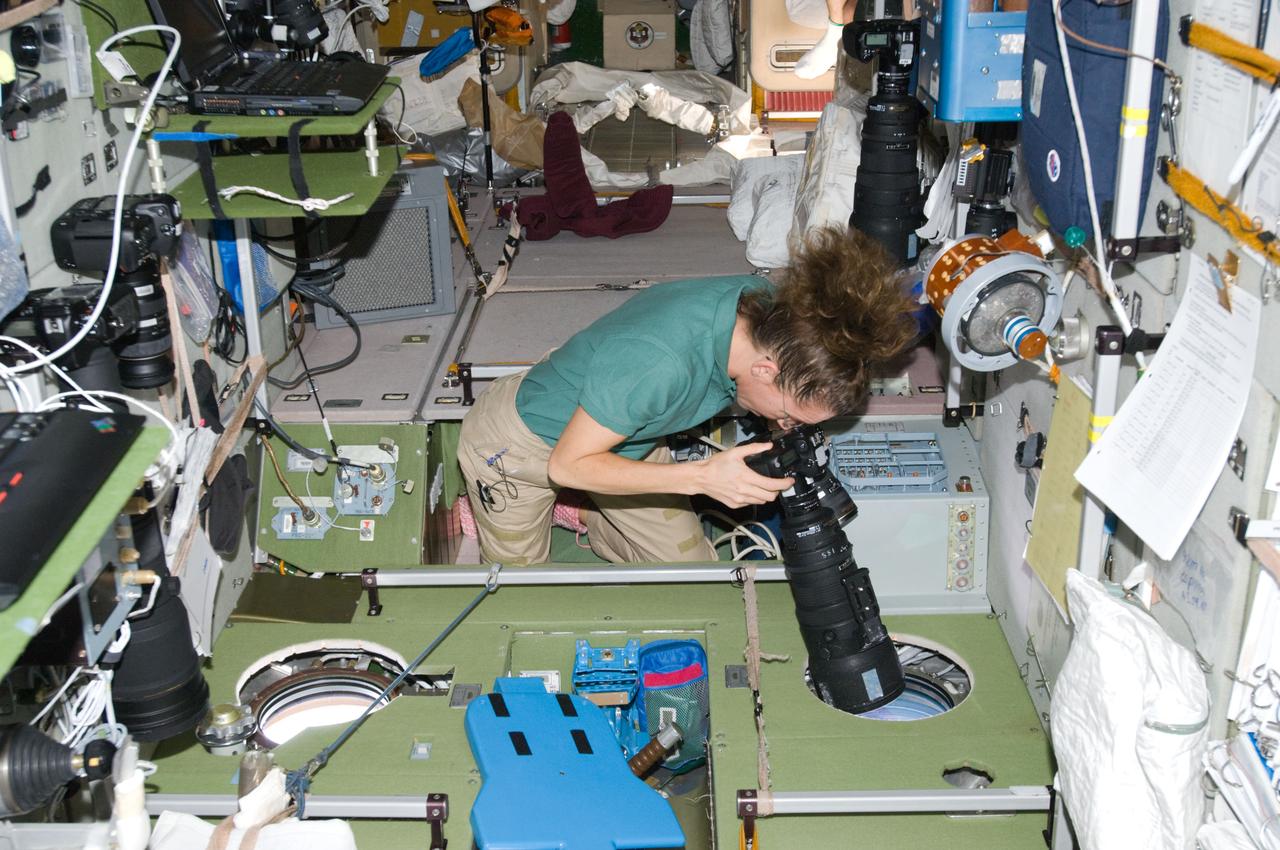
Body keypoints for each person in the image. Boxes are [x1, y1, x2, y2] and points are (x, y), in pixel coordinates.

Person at [456, 226, 918, 565]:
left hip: (630, 429)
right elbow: (565, 465)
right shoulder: (659, 364)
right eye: (787, 415)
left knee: (692, 573)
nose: (784, 426)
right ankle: (537, 503)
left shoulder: (770, 315)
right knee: (524, 593)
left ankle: (586, 510)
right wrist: (701, 478)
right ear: (765, 370)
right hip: (523, 447)